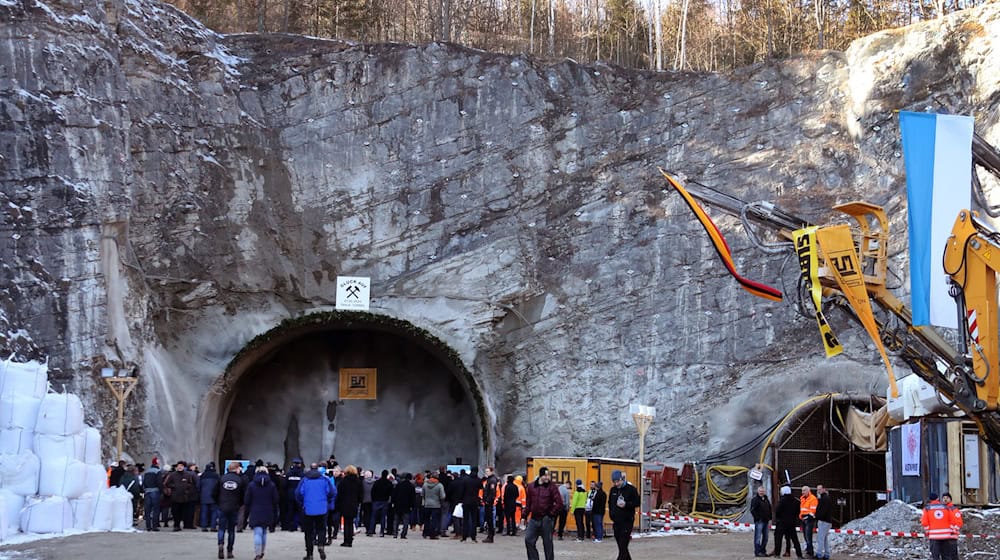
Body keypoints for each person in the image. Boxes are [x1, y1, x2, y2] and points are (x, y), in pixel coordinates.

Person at [297, 462, 336, 560]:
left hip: (308, 509)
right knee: (321, 529)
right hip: (322, 508)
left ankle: (309, 554)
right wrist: (327, 501)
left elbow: (298, 493)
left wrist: (302, 503)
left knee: (308, 532)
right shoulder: (324, 480)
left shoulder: (304, 480)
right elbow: (332, 492)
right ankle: (321, 545)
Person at [523, 466, 563, 560]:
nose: (547, 477)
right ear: (540, 476)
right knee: (528, 540)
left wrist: (551, 514)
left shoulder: (552, 487)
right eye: (545, 475)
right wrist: (524, 515)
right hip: (534, 518)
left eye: (548, 475)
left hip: (546, 519)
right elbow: (528, 503)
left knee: (547, 543)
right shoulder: (531, 486)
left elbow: (559, 503)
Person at [245, 465, 279, 560]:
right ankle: (262, 551)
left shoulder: (252, 484)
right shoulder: (271, 484)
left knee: (257, 532)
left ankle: (257, 553)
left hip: (255, 509)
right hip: (268, 510)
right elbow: (275, 499)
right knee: (264, 532)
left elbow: (247, 499)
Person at [215, 461, 247, 560]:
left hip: (222, 506)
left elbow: (214, 492)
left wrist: (219, 502)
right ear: (237, 468)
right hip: (234, 507)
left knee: (221, 528)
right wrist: (239, 504)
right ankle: (229, 551)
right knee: (231, 530)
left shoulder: (221, 478)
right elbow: (243, 495)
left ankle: (220, 544)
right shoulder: (240, 480)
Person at [608, 469, 639, 560]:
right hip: (616, 521)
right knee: (622, 546)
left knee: (623, 543)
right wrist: (611, 514)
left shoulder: (631, 489)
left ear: (622, 479)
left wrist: (626, 504)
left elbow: (637, 502)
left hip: (627, 521)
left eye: (618, 481)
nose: (616, 484)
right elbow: (610, 503)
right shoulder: (613, 490)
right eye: (614, 482)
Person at [165, 461, 198, 531]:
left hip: (184, 497)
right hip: (175, 497)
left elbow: (190, 484)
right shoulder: (173, 475)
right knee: (175, 511)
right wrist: (174, 486)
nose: (180, 467)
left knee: (182, 512)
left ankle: (180, 523)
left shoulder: (187, 475)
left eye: (181, 466)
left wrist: (186, 490)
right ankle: (176, 525)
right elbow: (167, 483)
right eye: (178, 466)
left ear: (184, 467)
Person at [335, 465, 363, 547]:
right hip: (354, 504)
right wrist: (358, 502)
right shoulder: (358, 481)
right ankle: (350, 540)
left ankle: (346, 540)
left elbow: (339, 493)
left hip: (344, 504)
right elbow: (360, 494)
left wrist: (338, 504)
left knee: (346, 522)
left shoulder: (343, 481)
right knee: (351, 522)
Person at [922, 492, 955, 560]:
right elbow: (953, 520)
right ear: (938, 498)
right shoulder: (946, 507)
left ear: (930, 499)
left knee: (935, 556)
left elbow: (924, 522)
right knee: (946, 556)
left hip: (934, 536)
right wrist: (951, 530)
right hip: (946, 535)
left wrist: (928, 531)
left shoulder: (927, 509)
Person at [772, 485, 803, 558]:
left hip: (782, 522)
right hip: (792, 522)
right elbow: (798, 512)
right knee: (794, 539)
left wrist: (778, 518)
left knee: (778, 538)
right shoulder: (796, 501)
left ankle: (777, 553)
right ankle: (799, 554)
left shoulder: (782, 501)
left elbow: (777, 511)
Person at [392, 472, 416, 539]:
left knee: (396, 520)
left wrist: (393, 502)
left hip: (398, 505)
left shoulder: (399, 485)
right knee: (406, 521)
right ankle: (403, 534)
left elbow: (394, 494)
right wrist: (412, 506)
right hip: (407, 506)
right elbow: (412, 497)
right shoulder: (411, 486)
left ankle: (395, 533)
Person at [142, 457, 163, 531]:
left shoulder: (147, 471)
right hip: (155, 491)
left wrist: (144, 490)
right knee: (156, 510)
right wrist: (161, 491)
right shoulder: (158, 471)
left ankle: (148, 526)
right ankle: (154, 526)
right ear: (157, 463)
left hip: (147, 492)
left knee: (147, 510)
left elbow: (143, 482)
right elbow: (159, 482)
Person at [422, 473, 446, 539]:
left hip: (427, 504)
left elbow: (422, 494)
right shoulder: (439, 485)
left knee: (426, 519)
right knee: (434, 520)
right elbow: (442, 496)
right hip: (436, 505)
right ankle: (432, 534)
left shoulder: (425, 484)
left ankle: (425, 533)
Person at [750, 485, 772, 557]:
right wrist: (757, 518)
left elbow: (769, 508)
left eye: (762, 491)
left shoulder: (766, 499)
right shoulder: (755, 500)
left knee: (766, 537)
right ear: (758, 491)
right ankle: (757, 551)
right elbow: (753, 510)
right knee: (758, 537)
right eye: (760, 491)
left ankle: (763, 551)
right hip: (759, 521)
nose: (761, 492)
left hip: (766, 520)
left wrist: (770, 517)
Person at [370, 469, 393, 537]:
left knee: (373, 516)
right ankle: (382, 532)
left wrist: (373, 499)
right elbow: (391, 493)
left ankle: (371, 531)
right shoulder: (389, 483)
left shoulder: (377, 482)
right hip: (384, 501)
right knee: (383, 517)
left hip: (376, 501)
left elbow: (372, 491)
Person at [199, 462, 221, 532]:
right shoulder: (216, 476)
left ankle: (204, 526)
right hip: (214, 497)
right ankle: (213, 526)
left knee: (204, 512)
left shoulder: (202, 476)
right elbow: (219, 487)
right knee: (214, 512)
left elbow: (198, 486)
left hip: (204, 497)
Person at [942, 492, 962, 560]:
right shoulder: (941, 509)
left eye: (947, 498)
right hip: (943, 536)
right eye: (944, 498)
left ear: (950, 499)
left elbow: (959, 522)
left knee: (953, 555)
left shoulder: (954, 509)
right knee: (945, 555)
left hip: (952, 536)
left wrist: (953, 530)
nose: (945, 499)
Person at [799, 486, 817, 558]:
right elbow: (802, 509)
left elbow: (813, 511)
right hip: (804, 519)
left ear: (808, 491)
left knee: (808, 537)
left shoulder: (813, 499)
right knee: (806, 537)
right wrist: (801, 516)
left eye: (804, 491)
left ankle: (810, 553)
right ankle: (808, 550)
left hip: (809, 520)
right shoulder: (802, 498)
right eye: (802, 491)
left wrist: (806, 517)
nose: (803, 492)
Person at [814, 485, 832, 560]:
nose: (818, 491)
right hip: (827, 521)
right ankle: (827, 554)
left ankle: (819, 554)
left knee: (821, 538)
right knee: (824, 538)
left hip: (823, 521)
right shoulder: (826, 498)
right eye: (818, 489)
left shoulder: (824, 499)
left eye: (820, 489)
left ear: (824, 489)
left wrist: (816, 516)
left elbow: (822, 511)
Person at [482, 467, 499, 543]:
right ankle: (490, 535)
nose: (486, 472)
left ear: (492, 471)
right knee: (488, 519)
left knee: (490, 519)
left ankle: (490, 536)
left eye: (487, 471)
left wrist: (488, 501)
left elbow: (492, 492)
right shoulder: (489, 479)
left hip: (489, 502)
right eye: (486, 471)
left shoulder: (492, 480)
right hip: (487, 501)